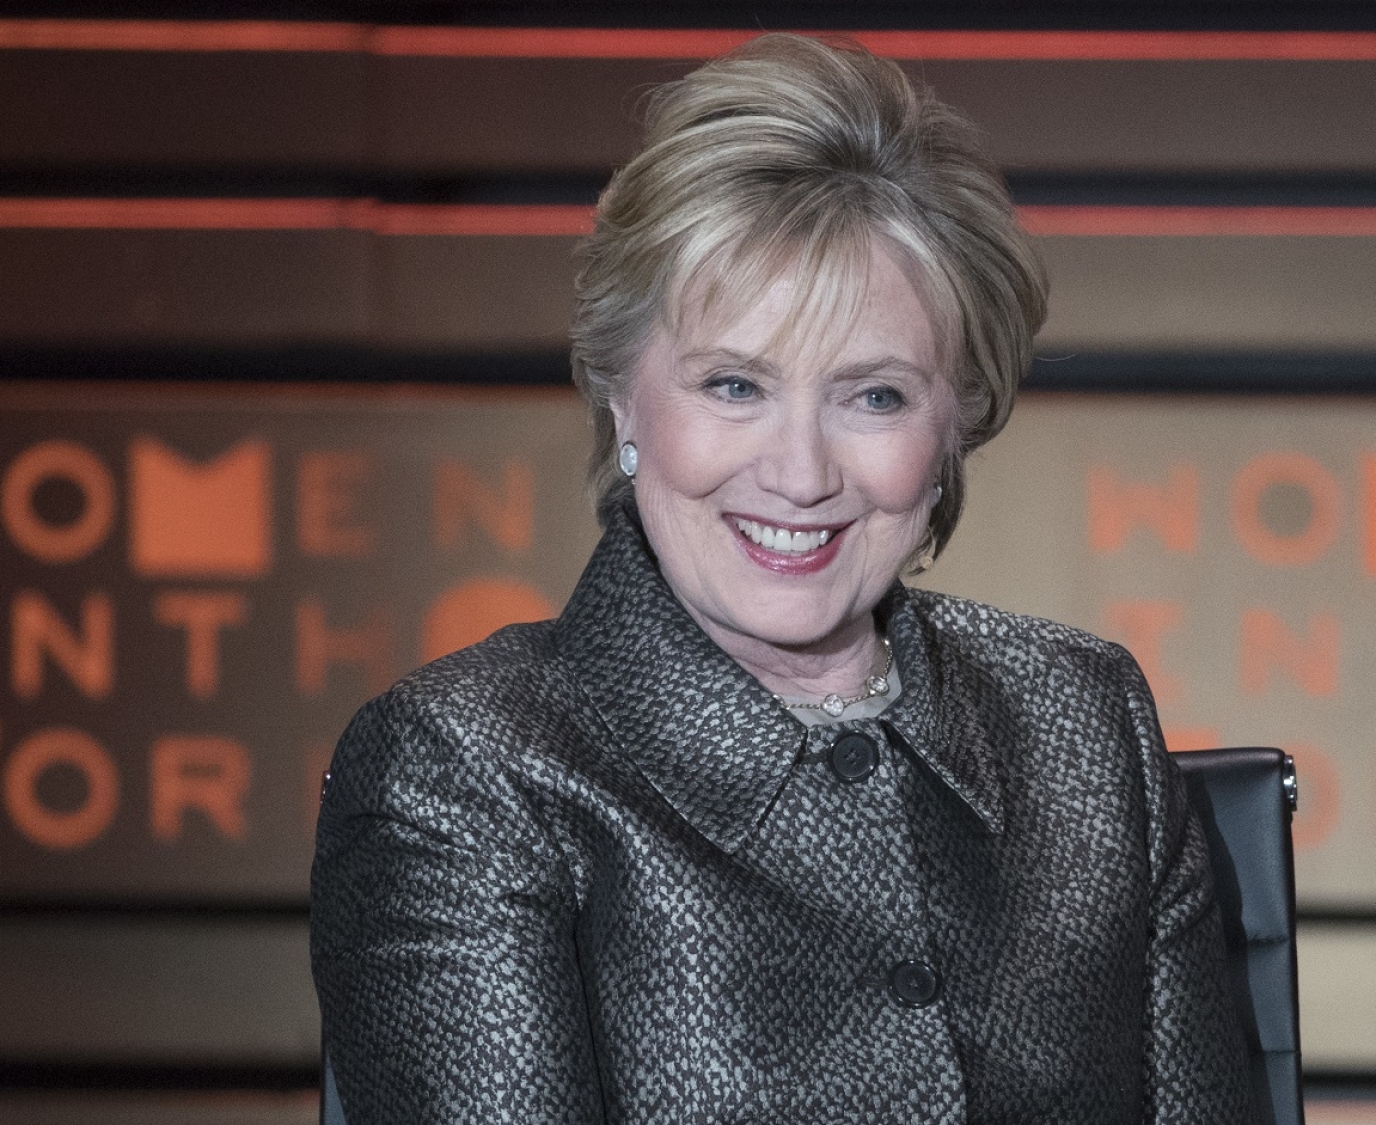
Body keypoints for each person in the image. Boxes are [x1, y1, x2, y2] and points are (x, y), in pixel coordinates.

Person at [310, 33, 1258, 1124]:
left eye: (874, 397)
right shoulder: (459, 771)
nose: (800, 475)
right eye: (732, 385)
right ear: (622, 397)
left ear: (957, 421)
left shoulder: (1083, 720)